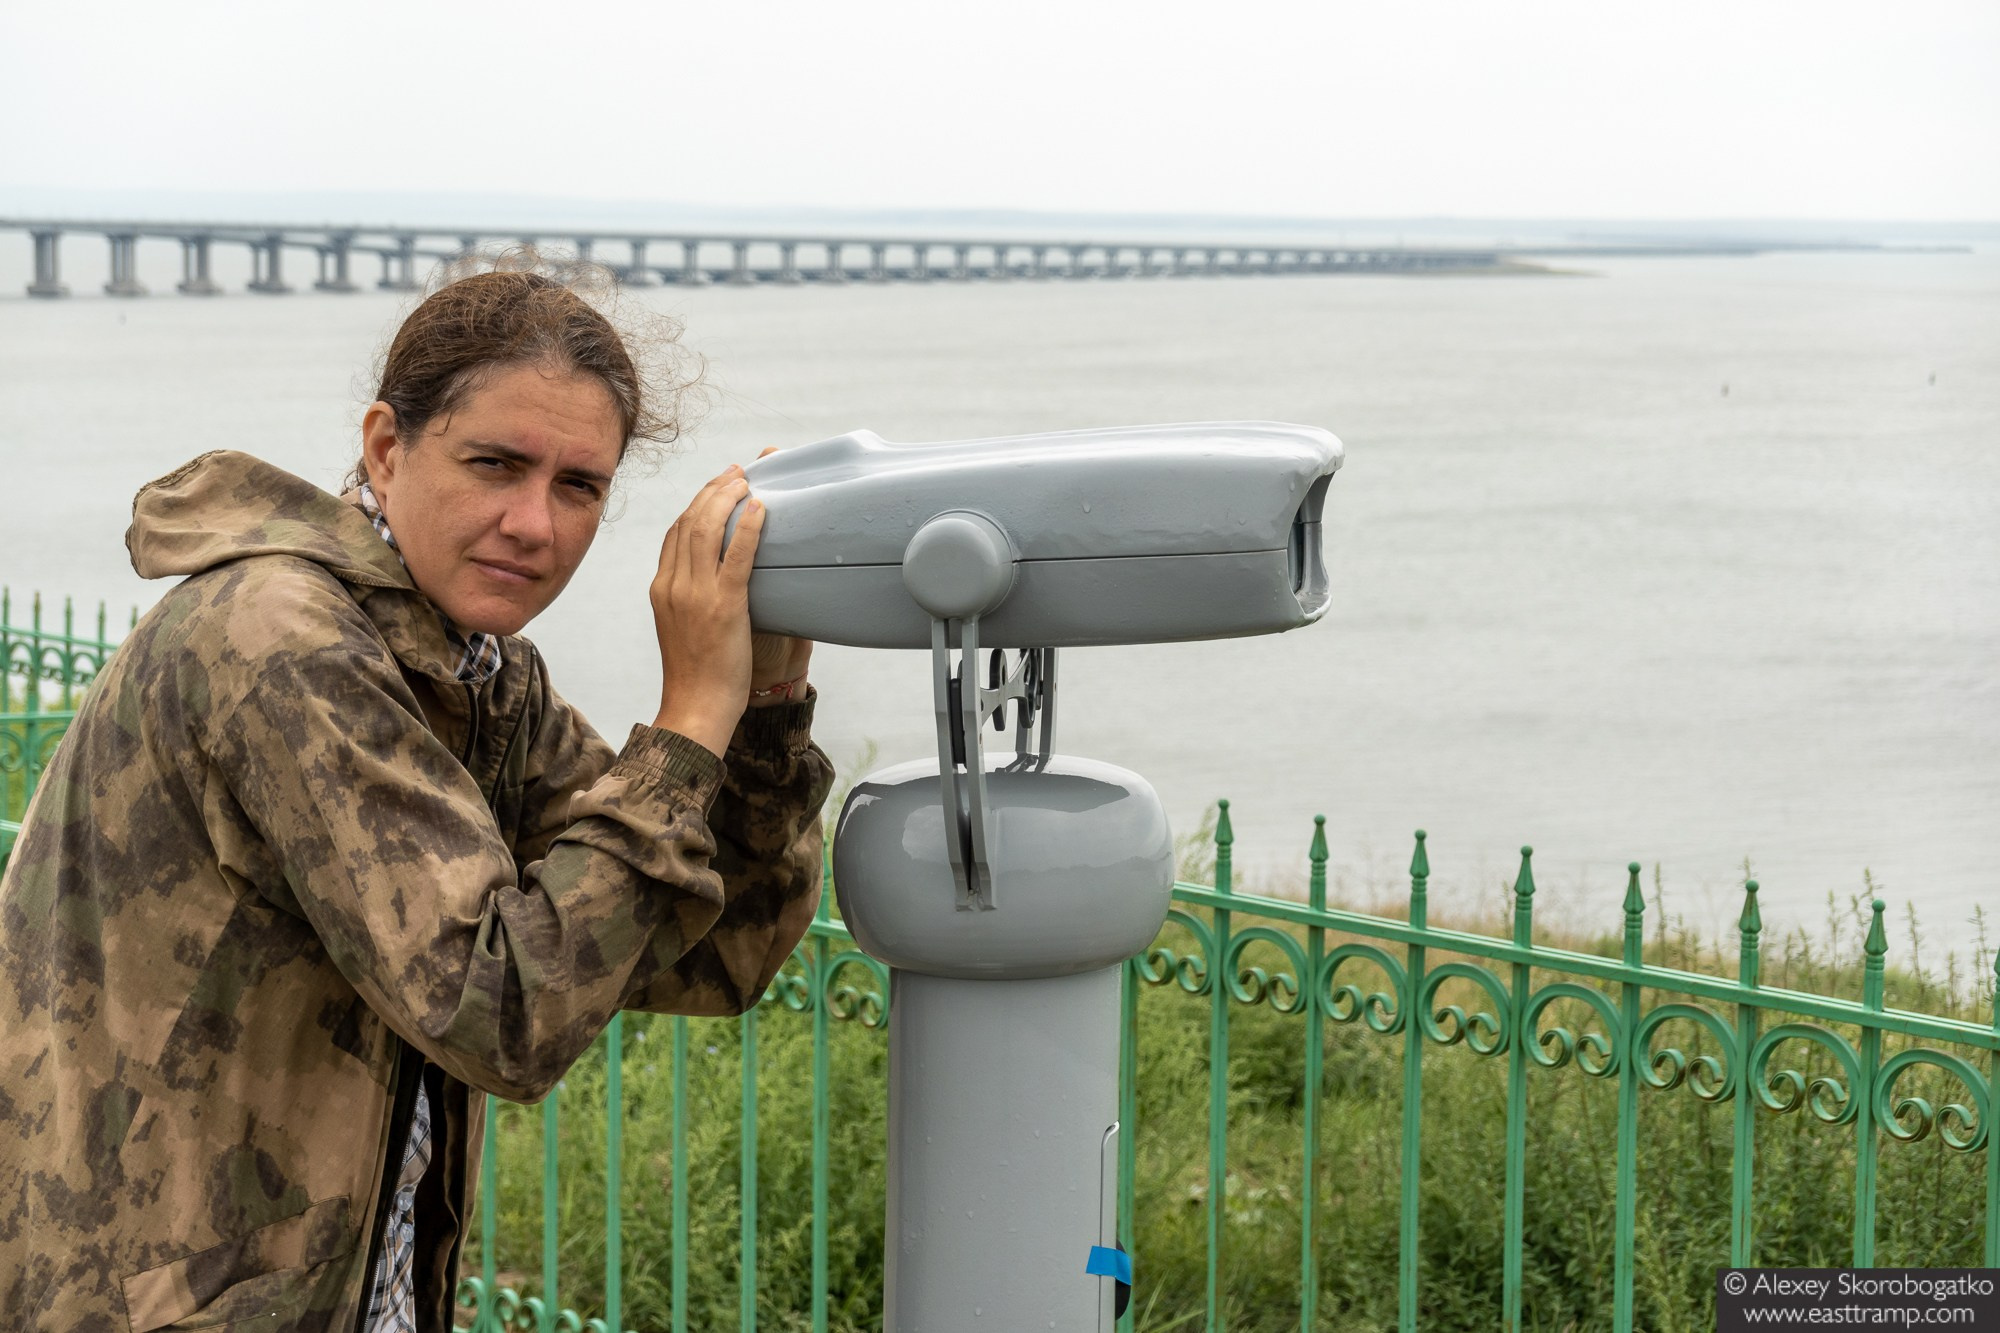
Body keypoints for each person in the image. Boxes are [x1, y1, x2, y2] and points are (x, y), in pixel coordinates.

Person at [0, 262, 833, 1333]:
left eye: (578, 486)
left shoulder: (476, 673)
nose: (532, 523)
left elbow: (712, 953)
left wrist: (761, 712)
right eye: (494, 464)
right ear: (386, 446)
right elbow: (501, 1014)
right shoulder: (277, 639)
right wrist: (686, 720)